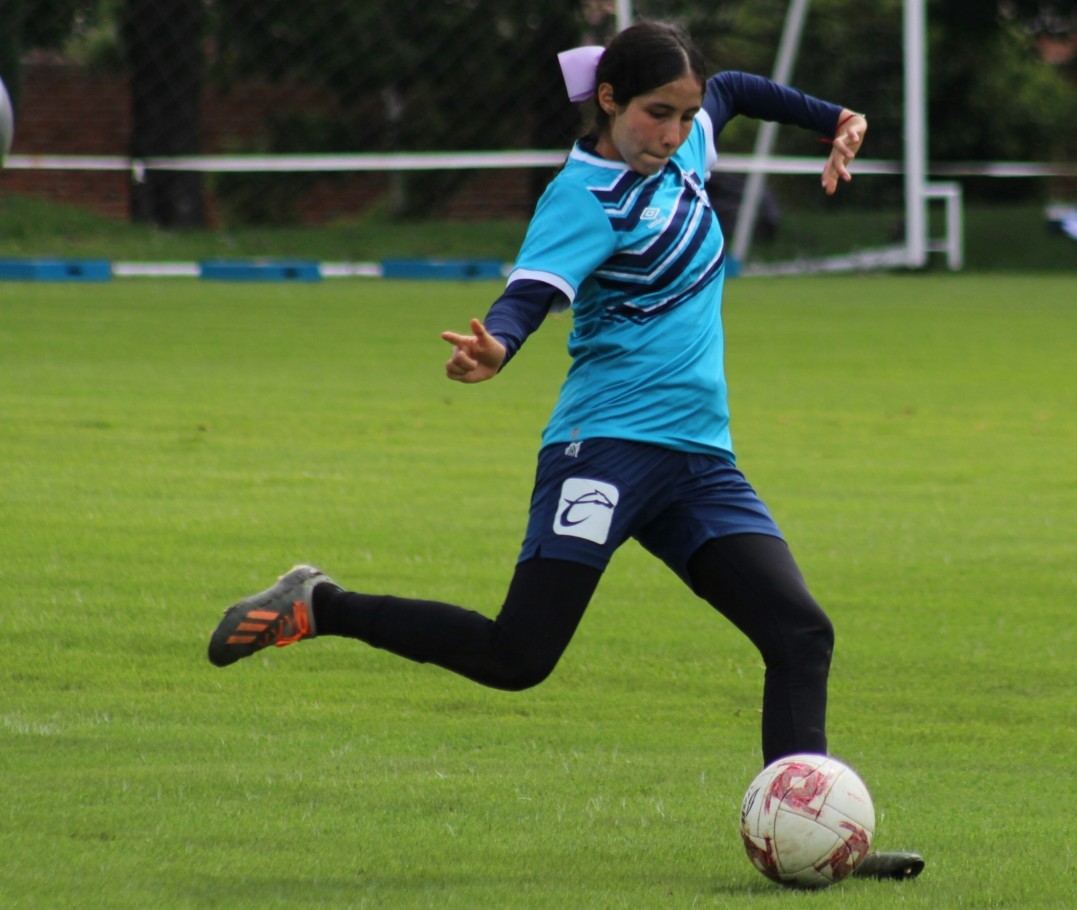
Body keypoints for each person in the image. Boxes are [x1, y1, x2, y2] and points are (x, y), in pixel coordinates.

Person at [208, 21, 923, 881]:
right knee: (518, 657)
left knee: (800, 632)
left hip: (700, 461)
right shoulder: (583, 198)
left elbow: (735, 90)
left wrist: (833, 117)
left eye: (685, 114)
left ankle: (809, 834)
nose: (676, 131)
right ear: (609, 100)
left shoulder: (689, 135)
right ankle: (321, 605)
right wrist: (498, 347)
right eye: (658, 113)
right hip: (606, 452)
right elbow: (530, 293)